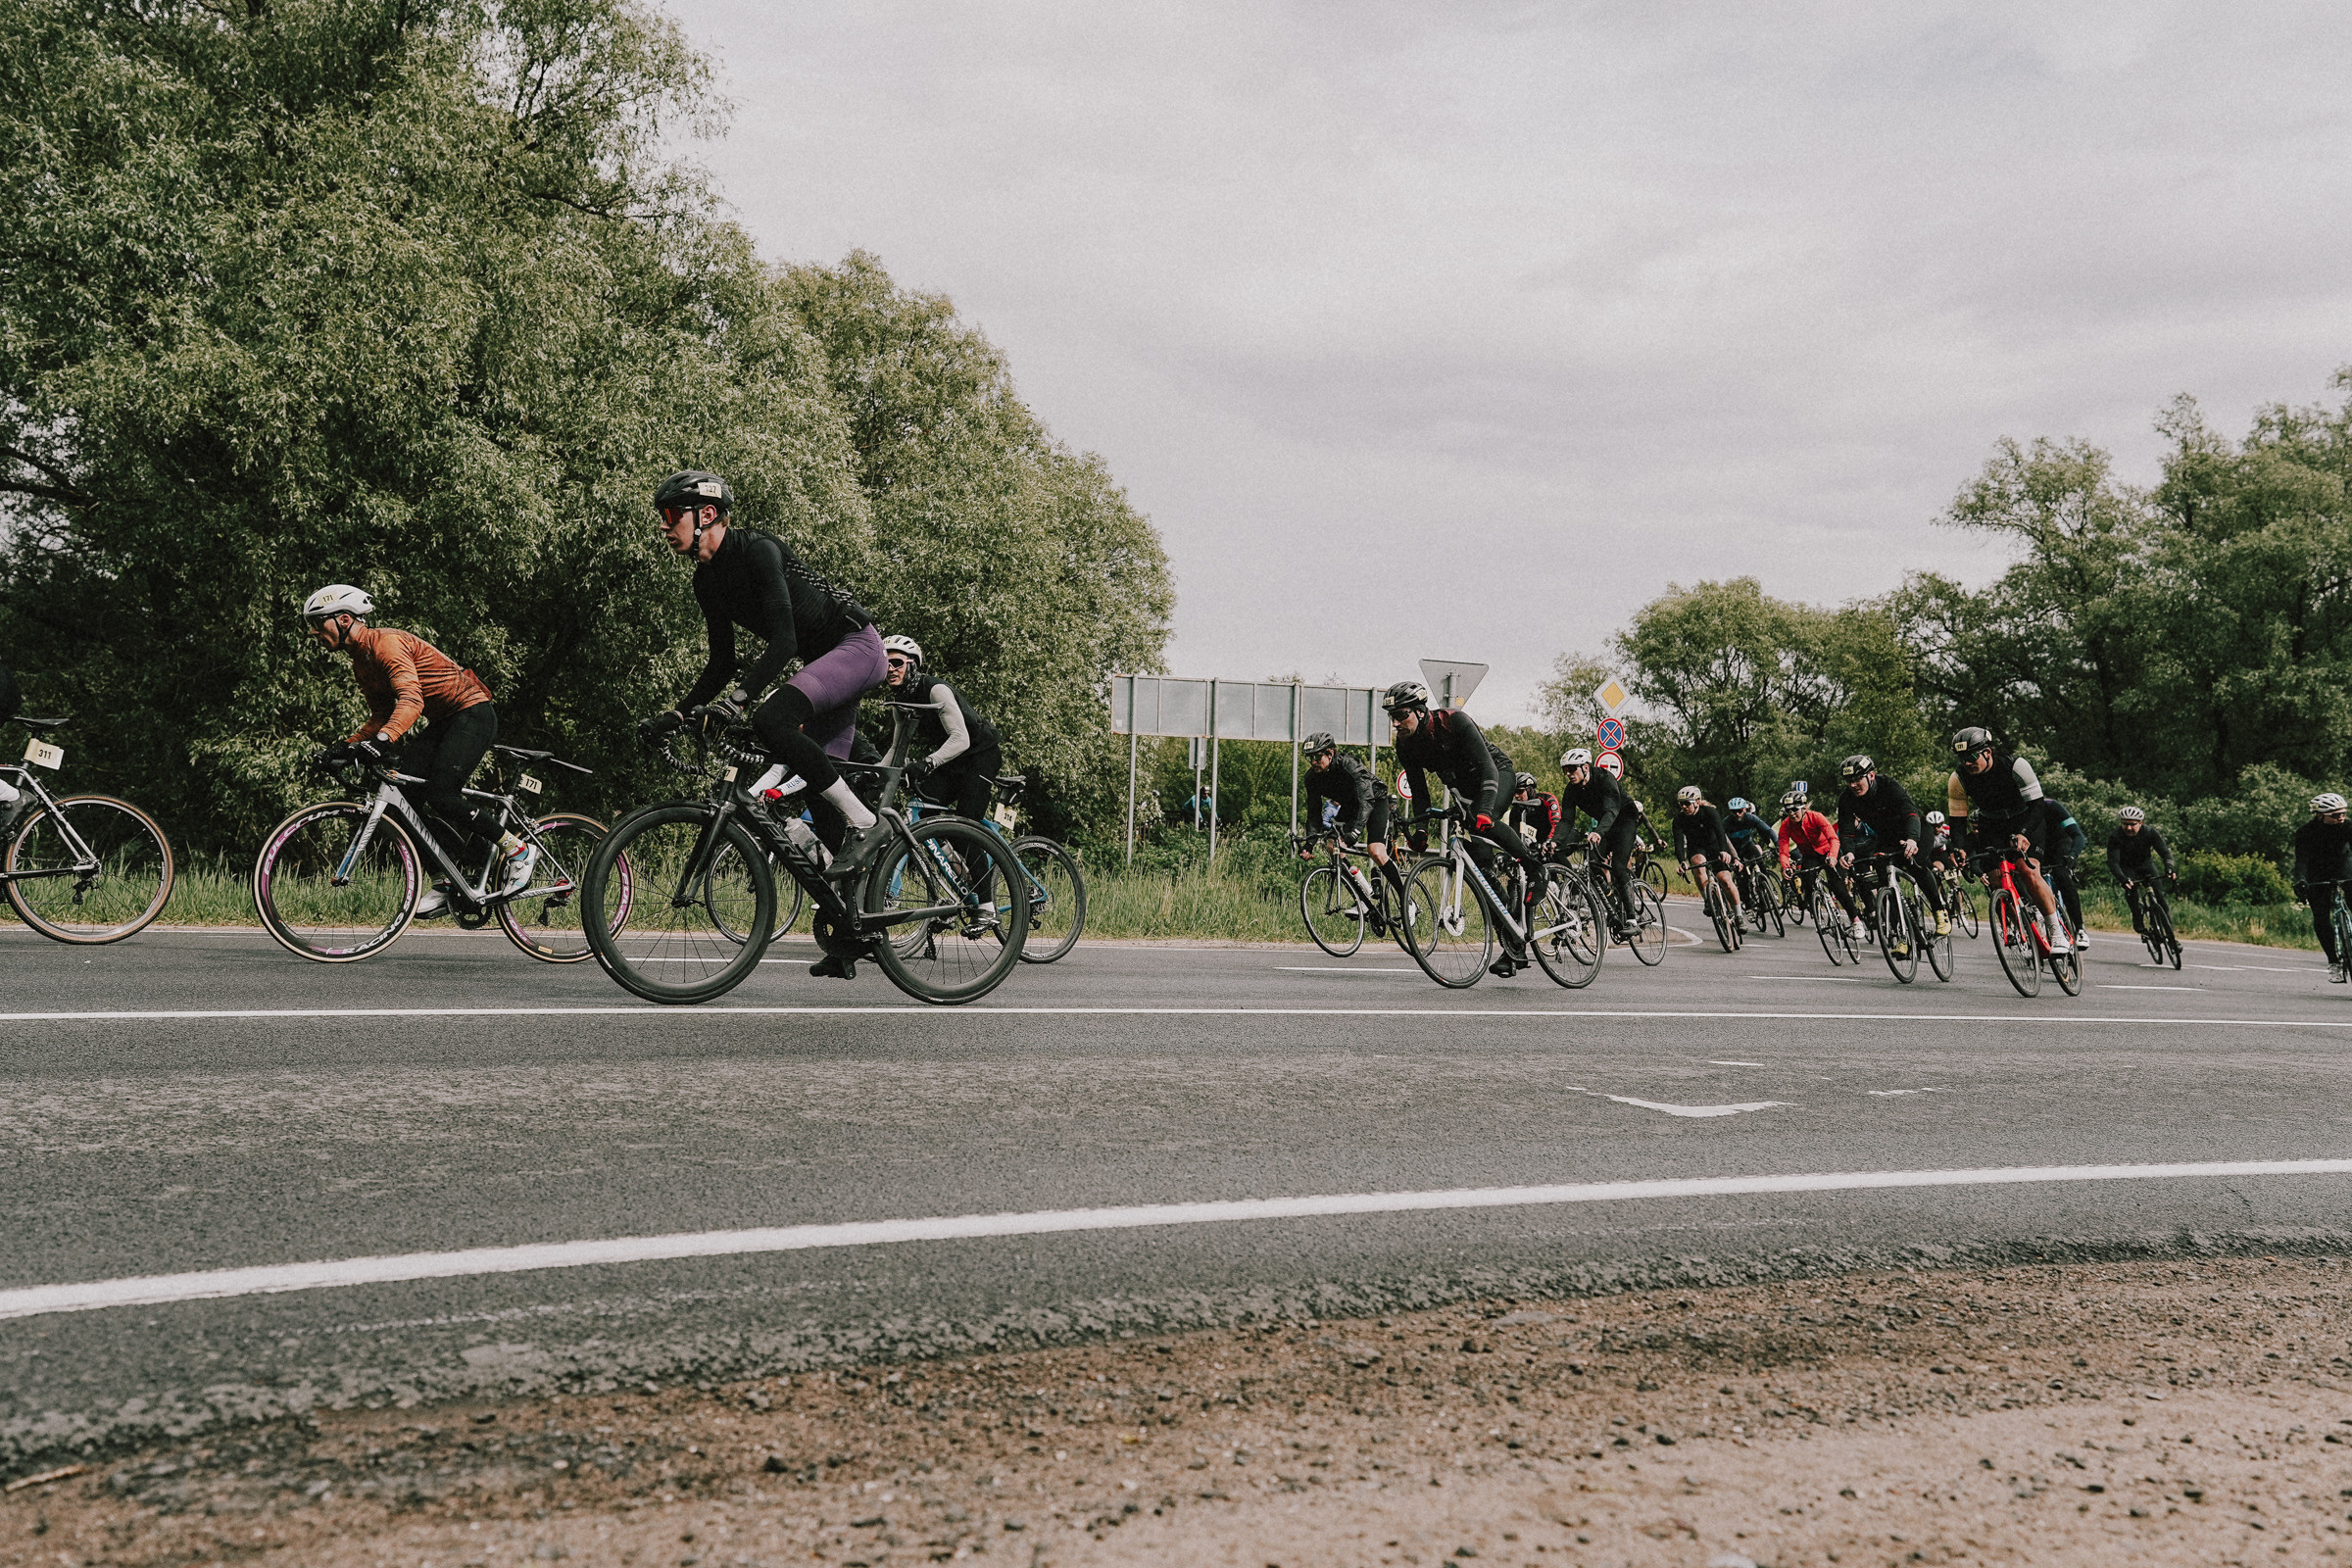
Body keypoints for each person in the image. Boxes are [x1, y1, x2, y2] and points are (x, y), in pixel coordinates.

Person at [302, 584, 530, 917]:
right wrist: (347, 747)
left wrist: (382, 741)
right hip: (444, 720)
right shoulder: (361, 662)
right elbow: (380, 716)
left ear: (345, 619)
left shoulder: (386, 645)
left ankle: (517, 851)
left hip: (471, 712)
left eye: (318, 623)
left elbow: (412, 700)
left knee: (442, 793)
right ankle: (451, 875)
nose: (314, 633)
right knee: (403, 798)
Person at [1385, 680, 1545, 977]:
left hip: (1496, 776)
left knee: (1483, 825)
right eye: (1391, 717)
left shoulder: (1454, 722)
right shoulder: (1405, 744)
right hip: (1464, 793)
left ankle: (1535, 867)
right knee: (1480, 870)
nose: (1395, 723)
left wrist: (1485, 810)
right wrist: (1421, 832)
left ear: (1420, 712)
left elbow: (1487, 767)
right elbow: (1420, 792)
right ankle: (1514, 943)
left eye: (1401, 715)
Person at [1946, 726, 2068, 954]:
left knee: (2027, 870)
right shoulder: (1958, 778)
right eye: (1962, 759)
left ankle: (2056, 931)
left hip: (2026, 818)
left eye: (1972, 757)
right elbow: (1957, 821)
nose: (1967, 763)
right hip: (1991, 824)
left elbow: (2038, 805)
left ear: (1987, 752)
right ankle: (2024, 929)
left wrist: (2023, 833)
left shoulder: (2015, 765)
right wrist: (1959, 847)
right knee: (1995, 881)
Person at [1834, 754, 1947, 951]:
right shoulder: (1846, 799)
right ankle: (1901, 935)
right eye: (1848, 781)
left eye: (1857, 779)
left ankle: (1940, 912)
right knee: (1883, 875)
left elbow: (1910, 812)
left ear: (1871, 775)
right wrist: (1849, 853)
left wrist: (1912, 839)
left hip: (1916, 830)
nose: (1852, 785)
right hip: (1887, 839)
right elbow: (1846, 831)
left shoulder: (1888, 786)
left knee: (1916, 864)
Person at [883, 635, 1003, 821]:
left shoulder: (935, 689)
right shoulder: (900, 702)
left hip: (981, 754)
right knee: (922, 811)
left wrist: (927, 763)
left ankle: (981, 848)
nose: (890, 669)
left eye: (897, 663)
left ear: (912, 664)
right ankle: (945, 850)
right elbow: (896, 749)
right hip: (954, 760)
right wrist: (874, 773)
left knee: (965, 824)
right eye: (885, 663)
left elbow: (961, 738)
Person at [1300, 731, 1406, 917]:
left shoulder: (1348, 765)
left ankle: (1407, 901)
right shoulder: (1312, 778)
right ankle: (1364, 898)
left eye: (1318, 757)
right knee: (1333, 847)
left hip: (1374, 800)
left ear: (1330, 753)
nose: (1314, 762)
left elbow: (1366, 800)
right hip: (1350, 805)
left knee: (1376, 851)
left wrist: (1356, 831)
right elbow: (1314, 814)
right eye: (1310, 758)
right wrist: (1309, 843)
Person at [1559, 748, 1638, 935]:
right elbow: (1566, 821)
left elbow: (1611, 810)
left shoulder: (1605, 778)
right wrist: (1554, 842)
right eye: (1565, 770)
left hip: (1625, 820)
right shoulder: (1571, 790)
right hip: (1605, 826)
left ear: (1585, 767)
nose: (1568, 774)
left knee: (1618, 867)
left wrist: (1598, 832)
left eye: (1572, 769)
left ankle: (1632, 920)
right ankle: (1611, 904)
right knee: (1592, 865)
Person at [2292, 793, 2352, 983]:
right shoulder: (2305, 832)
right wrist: (2301, 881)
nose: (2340, 817)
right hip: (2317, 874)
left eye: (2342, 813)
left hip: (2344, 867)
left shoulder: (2349, 827)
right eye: (2334, 815)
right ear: (2320, 815)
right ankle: (2334, 962)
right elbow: (2301, 860)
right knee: (2320, 915)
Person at [1671, 786, 1743, 919]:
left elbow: (1721, 833)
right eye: (1681, 803)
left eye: (1687, 803)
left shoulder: (1710, 812)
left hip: (1714, 845)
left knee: (1725, 880)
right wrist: (1682, 862)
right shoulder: (1678, 820)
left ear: (1697, 802)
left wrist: (1724, 851)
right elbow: (1678, 843)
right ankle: (1708, 901)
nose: (1683, 806)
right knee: (1698, 864)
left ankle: (1739, 915)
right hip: (1697, 848)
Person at [2105, 807, 2178, 938]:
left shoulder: (2150, 833)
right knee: (2132, 891)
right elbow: (2113, 862)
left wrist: (2169, 867)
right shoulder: (2116, 836)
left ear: (2141, 823)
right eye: (2125, 824)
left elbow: (2165, 853)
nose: (2128, 828)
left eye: (2132, 824)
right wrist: (2122, 879)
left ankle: (2170, 936)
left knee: (2160, 898)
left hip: (2146, 865)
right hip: (2127, 867)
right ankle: (2138, 921)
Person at [1777, 789, 1846, 920]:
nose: (1791, 814)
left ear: (1804, 808)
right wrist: (1785, 867)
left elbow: (1833, 838)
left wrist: (1832, 856)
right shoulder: (1785, 825)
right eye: (1788, 811)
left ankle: (1855, 920)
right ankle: (1814, 907)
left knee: (1839, 887)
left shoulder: (1816, 817)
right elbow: (1783, 850)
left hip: (1827, 852)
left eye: (1795, 810)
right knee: (1807, 883)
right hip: (1809, 856)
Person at [2036, 796, 2090, 945]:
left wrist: (2073, 855)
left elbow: (2078, 835)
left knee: (2061, 875)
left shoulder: (2052, 806)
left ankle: (2080, 929)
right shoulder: (2017, 811)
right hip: (2039, 847)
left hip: (2060, 843)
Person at [1508, 771, 1562, 853]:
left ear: (1529, 790)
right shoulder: (1516, 809)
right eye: (1514, 792)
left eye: (1520, 791)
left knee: (1556, 854)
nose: (1516, 795)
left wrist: (1549, 841)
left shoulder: (1547, 799)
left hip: (1559, 834)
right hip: (1539, 840)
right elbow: (1514, 834)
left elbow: (1556, 824)